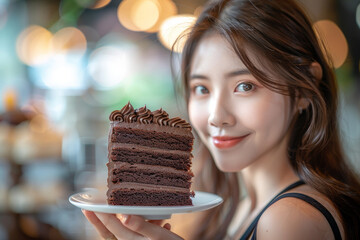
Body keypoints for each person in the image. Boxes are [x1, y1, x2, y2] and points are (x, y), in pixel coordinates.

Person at [82, 0, 360, 239]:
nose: (217, 117)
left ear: (302, 89)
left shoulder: (288, 219)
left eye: (245, 86)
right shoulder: (238, 206)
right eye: (202, 89)